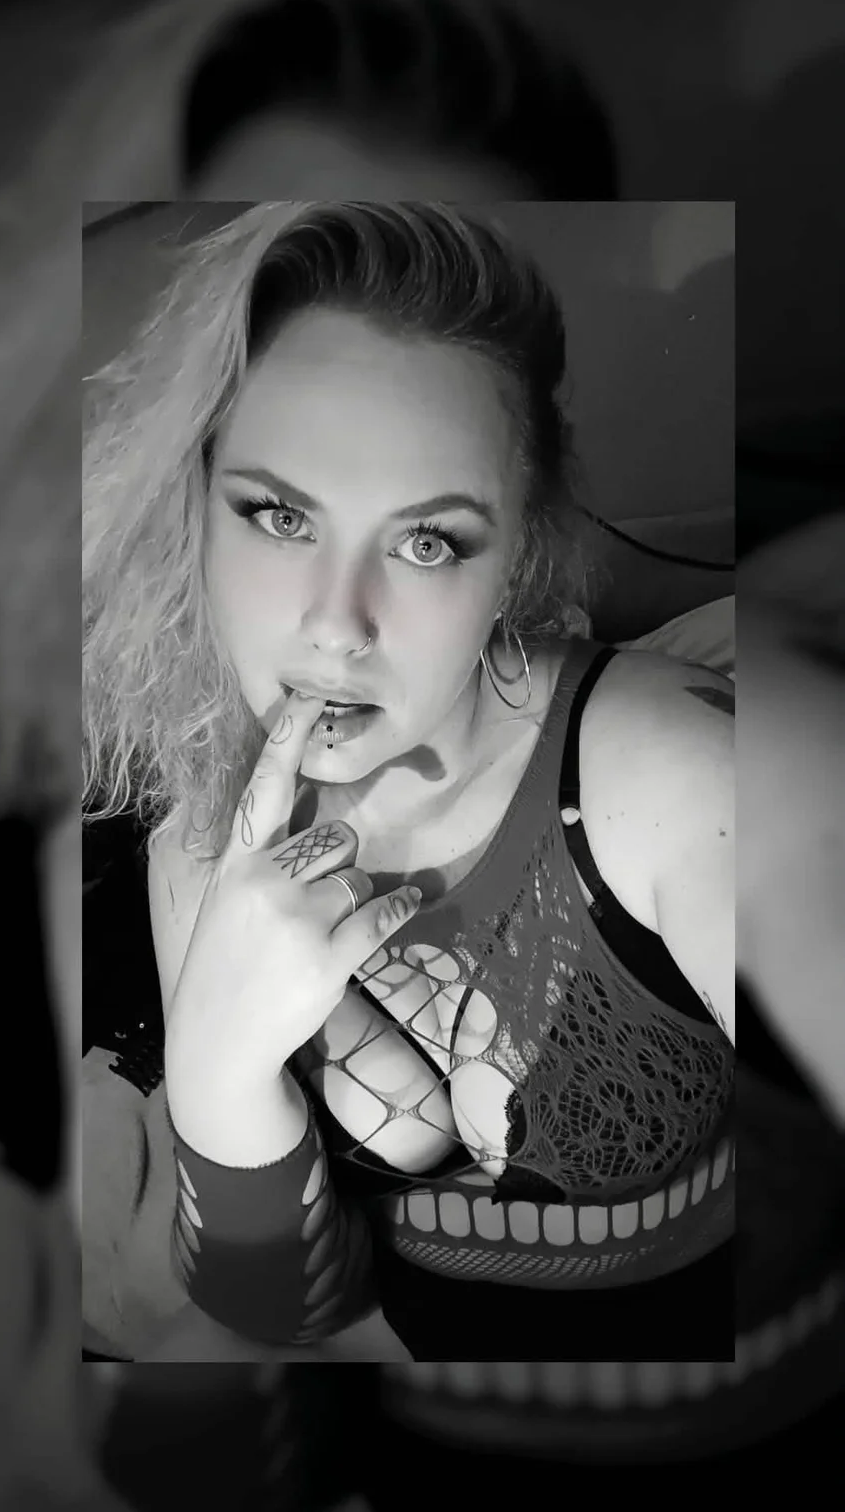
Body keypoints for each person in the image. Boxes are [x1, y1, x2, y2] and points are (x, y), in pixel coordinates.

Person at [82, 197, 736, 1370]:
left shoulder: (673, 782)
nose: (337, 627)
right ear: (196, 510)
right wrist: (219, 1072)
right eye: (280, 516)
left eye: (426, 541)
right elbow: (277, 1311)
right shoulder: (204, 838)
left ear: (516, 554)